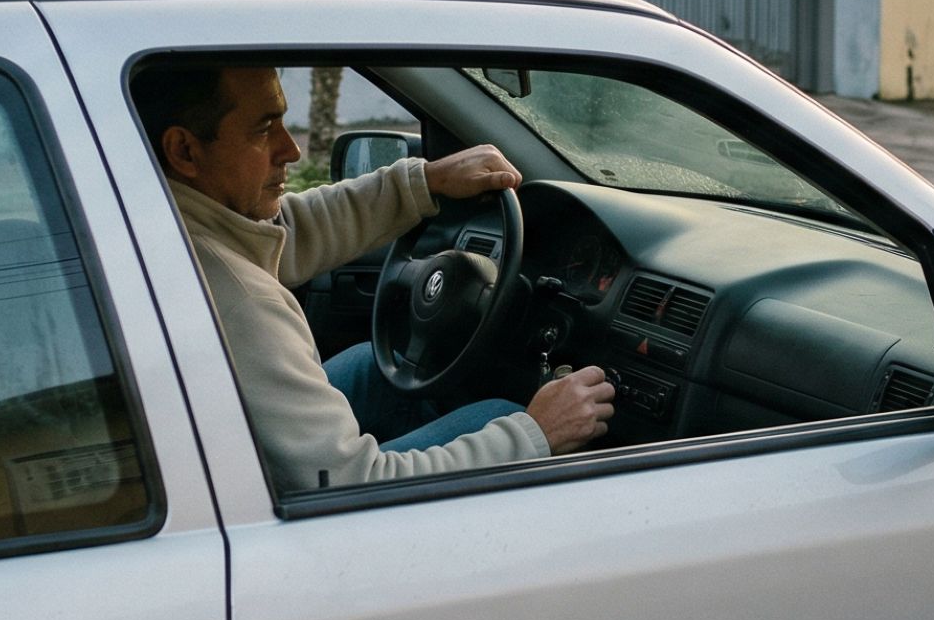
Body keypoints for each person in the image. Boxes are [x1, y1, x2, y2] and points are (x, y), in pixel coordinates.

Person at [137, 62, 615, 494]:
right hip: (285, 502)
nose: (292, 149)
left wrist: (424, 182)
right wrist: (535, 433)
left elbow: (284, 233)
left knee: (375, 368)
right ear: (184, 150)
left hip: (213, 450)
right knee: (500, 417)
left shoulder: (169, 217)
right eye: (264, 129)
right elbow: (349, 486)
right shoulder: (242, 303)